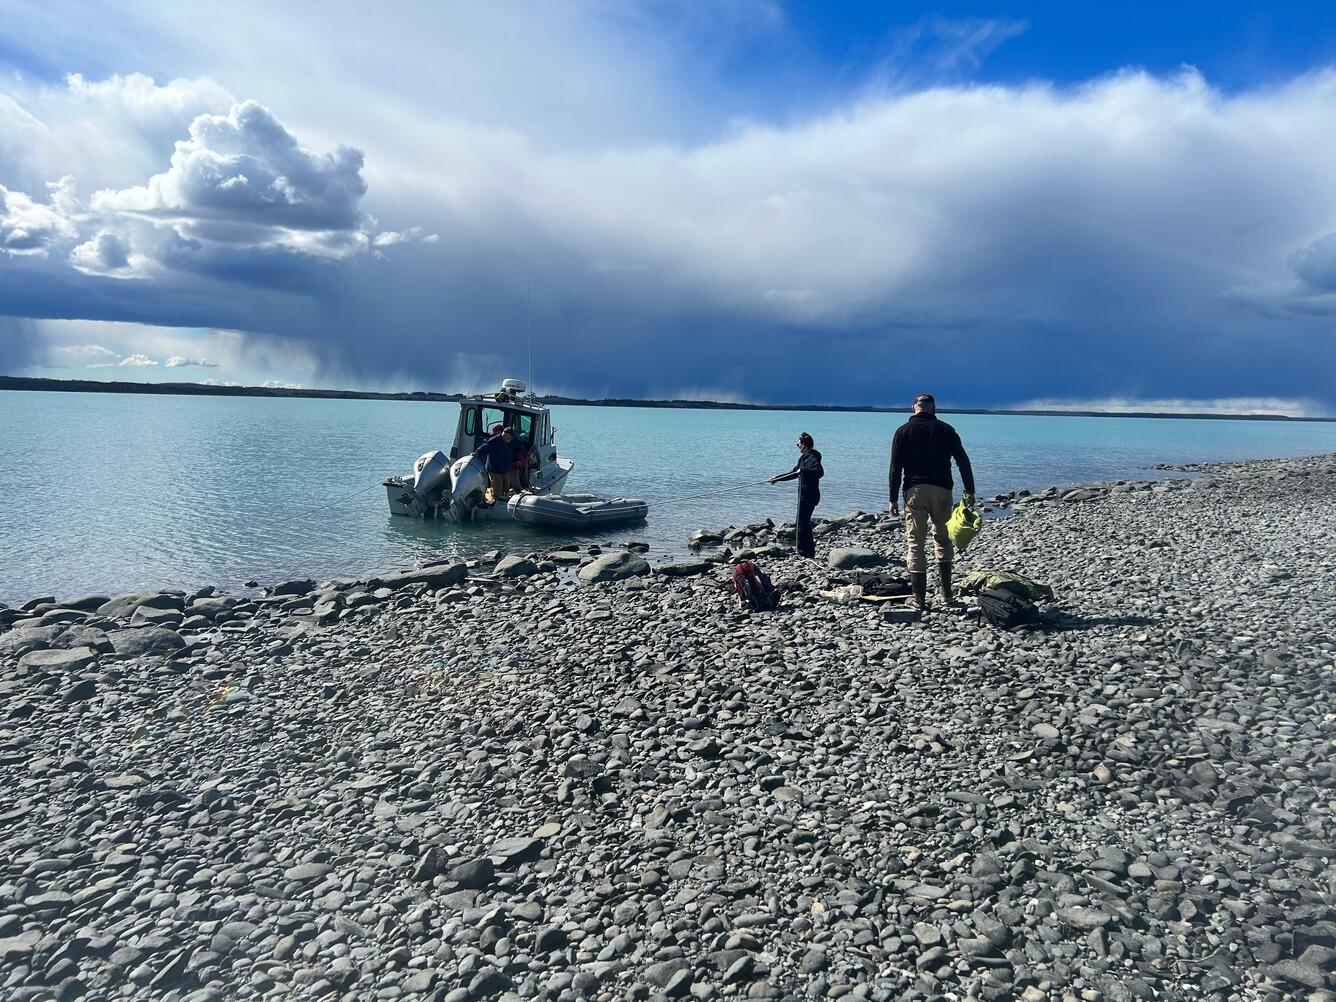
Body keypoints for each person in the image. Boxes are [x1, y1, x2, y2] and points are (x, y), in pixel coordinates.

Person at [888, 393, 976, 610]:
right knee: (943, 540)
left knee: (915, 544)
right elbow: (963, 461)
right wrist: (970, 490)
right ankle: (947, 595)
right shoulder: (946, 430)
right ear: (933, 409)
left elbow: (895, 469)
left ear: (914, 408)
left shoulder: (902, 432)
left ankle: (919, 600)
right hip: (942, 490)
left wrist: (892, 499)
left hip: (914, 491)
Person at [770, 432, 824, 558]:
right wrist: (777, 478)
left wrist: (803, 470)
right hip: (803, 495)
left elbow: (819, 472)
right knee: (803, 523)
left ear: (804, 445)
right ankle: (807, 552)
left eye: (798, 444)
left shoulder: (813, 458)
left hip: (810, 495)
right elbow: (794, 473)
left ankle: (803, 552)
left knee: (801, 523)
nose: (797, 446)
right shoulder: (803, 459)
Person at [473, 424, 517, 503]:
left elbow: (515, 450)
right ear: (504, 434)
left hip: (505, 469)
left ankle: (504, 502)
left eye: (511, 438)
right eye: (508, 437)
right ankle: (496, 503)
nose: (510, 439)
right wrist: (476, 453)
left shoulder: (511, 442)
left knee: (506, 487)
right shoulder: (495, 440)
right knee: (498, 488)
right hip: (494, 469)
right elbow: (485, 446)